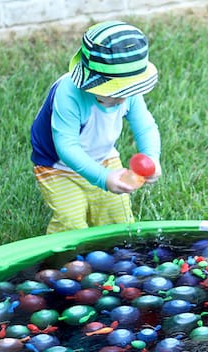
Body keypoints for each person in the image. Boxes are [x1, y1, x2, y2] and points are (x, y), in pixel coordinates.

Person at [31, 20, 162, 233]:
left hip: (103, 156)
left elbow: (145, 127)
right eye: (114, 92)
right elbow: (67, 147)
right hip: (58, 166)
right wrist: (102, 177)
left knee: (117, 218)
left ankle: (117, 259)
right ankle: (64, 262)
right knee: (71, 224)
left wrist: (152, 157)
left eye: (126, 91)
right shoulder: (69, 95)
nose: (122, 99)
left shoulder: (128, 92)